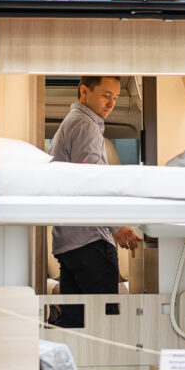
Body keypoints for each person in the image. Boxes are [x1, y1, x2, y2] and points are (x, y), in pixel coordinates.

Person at [49, 75, 141, 326]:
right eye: (106, 95)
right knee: (104, 322)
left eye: (116, 97)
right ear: (84, 92)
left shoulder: (72, 122)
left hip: (69, 242)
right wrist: (117, 226)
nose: (111, 103)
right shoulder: (86, 126)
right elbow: (91, 182)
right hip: (90, 241)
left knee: (74, 320)